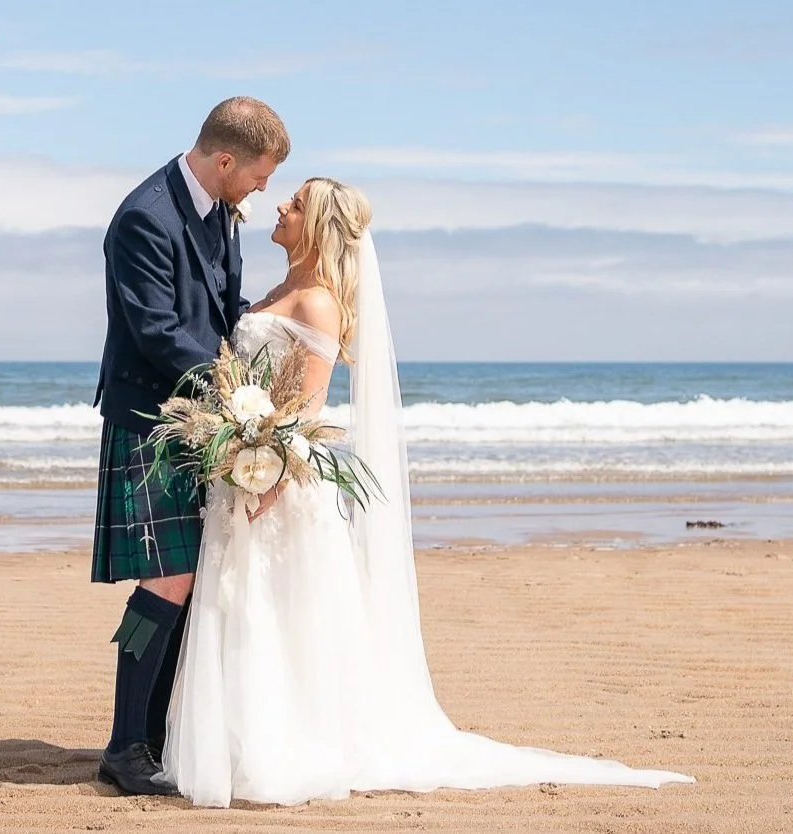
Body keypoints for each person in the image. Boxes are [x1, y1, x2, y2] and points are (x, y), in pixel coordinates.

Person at [160, 177, 696, 807]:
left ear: (320, 227)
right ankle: (232, 741)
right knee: (241, 606)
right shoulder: (279, 288)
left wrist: (265, 474)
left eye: (297, 203)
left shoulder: (319, 305)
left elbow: (302, 412)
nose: (281, 205)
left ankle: (281, 748)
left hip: (277, 487)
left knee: (273, 614)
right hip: (242, 479)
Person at [88, 96, 287, 796]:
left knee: (186, 580)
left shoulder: (218, 213)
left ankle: (154, 734)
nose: (264, 190)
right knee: (163, 583)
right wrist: (238, 393)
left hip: (201, 422)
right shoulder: (147, 216)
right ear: (225, 159)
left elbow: (222, 311)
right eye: (259, 176)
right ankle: (122, 743)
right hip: (150, 419)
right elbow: (158, 332)